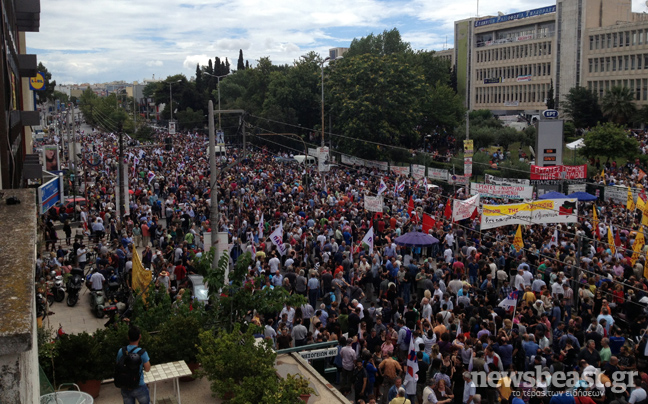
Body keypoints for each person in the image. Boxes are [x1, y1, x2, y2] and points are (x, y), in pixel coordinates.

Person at [116, 326, 151, 404]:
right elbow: (147, 369)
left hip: (125, 385)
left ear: (128, 337)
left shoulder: (121, 351)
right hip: (139, 385)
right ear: (140, 336)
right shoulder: (142, 353)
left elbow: (118, 365)